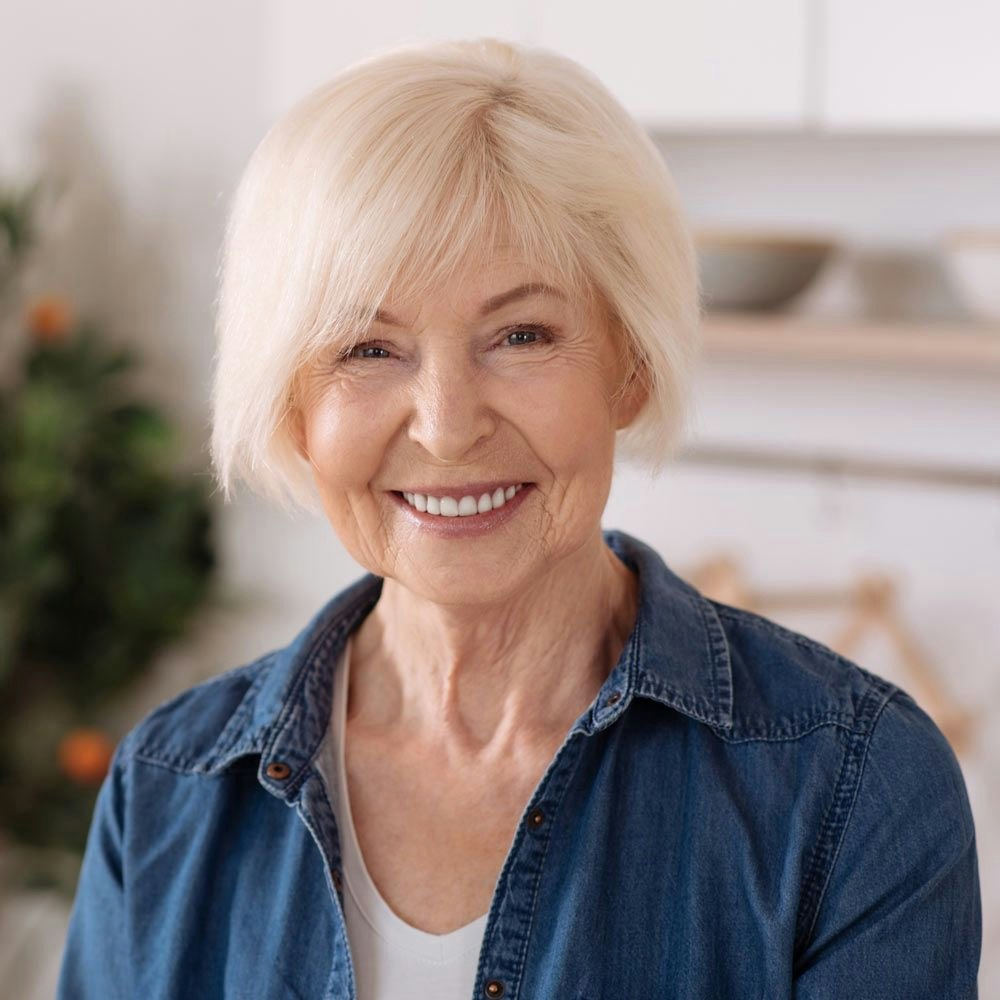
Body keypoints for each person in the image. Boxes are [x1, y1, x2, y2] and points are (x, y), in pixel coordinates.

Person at [57, 37, 981, 999]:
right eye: (370, 349)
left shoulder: (855, 788)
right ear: (292, 403)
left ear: (629, 365)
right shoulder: (169, 790)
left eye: (522, 335)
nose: (448, 428)